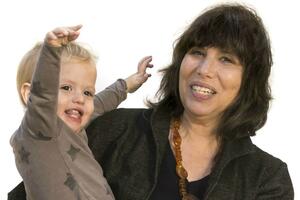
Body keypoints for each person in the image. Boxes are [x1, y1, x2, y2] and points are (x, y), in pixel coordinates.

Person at [8, 3, 294, 200]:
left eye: (226, 59)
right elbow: (36, 185)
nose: (205, 69)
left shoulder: (267, 178)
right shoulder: (113, 130)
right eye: (197, 52)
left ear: (249, 80)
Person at [9, 25, 152, 200]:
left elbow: (99, 103)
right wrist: (51, 50)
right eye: (66, 87)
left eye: (87, 92)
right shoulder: (39, 131)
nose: (80, 98)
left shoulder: (73, 127)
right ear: (29, 94)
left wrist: (127, 84)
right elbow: (43, 95)